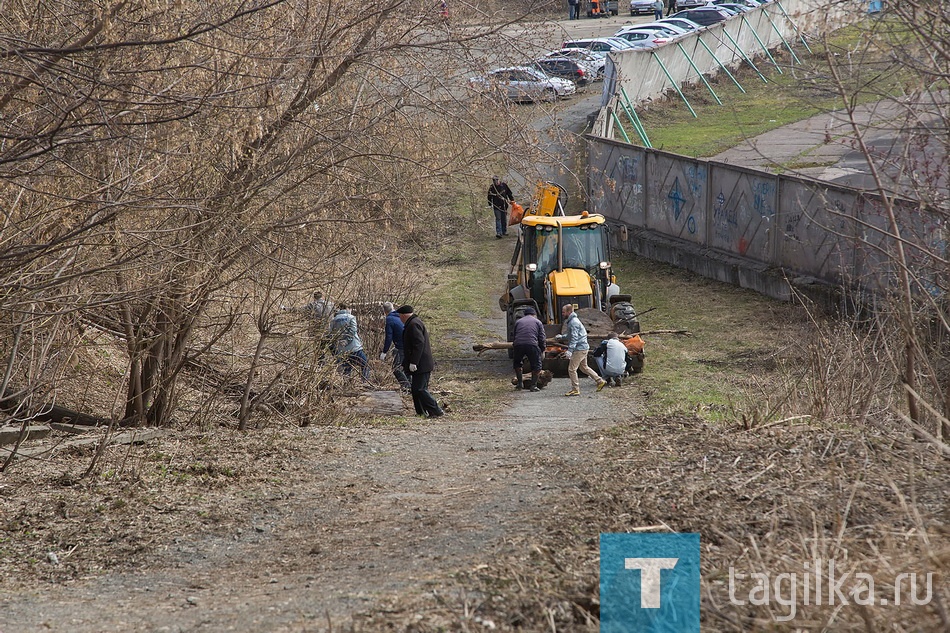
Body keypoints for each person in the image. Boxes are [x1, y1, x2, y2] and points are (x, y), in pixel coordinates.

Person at [396, 305, 444, 418]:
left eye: (400, 316)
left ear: (403, 315)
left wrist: (414, 362)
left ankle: (436, 410)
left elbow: (419, 344)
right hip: (421, 363)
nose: (400, 319)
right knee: (416, 389)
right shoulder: (414, 322)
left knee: (420, 389)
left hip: (421, 364)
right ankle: (421, 412)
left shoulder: (413, 325)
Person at [556, 304, 607, 396]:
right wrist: (562, 337)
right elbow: (570, 334)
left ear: (569, 312)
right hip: (583, 347)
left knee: (572, 369)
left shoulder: (573, 322)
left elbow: (575, 337)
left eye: (564, 312)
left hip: (579, 349)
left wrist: (570, 350)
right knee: (584, 367)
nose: (562, 314)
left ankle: (575, 389)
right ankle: (600, 381)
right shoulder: (571, 321)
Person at [328, 303, 370, 382]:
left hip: (341, 349)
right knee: (365, 365)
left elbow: (331, 334)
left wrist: (337, 345)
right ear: (347, 308)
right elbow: (353, 331)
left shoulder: (333, 320)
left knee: (347, 368)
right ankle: (365, 383)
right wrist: (347, 341)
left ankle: (347, 385)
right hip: (354, 348)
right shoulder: (351, 318)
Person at [511, 307, 546, 392]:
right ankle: (533, 386)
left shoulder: (518, 322)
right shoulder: (538, 322)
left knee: (517, 364)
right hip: (531, 344)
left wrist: (515, 345)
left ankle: (519, 384)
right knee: (537, 365)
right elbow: (542, 338)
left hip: (518, 344)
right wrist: (542, 349)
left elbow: (514, 335)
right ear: (534, 314)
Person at [380, 302, 412, 392]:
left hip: (401, 346)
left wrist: (384, 352)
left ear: (385, 311)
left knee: (396, 368)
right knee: (406, 367)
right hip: (409, 344)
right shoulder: (401, 316)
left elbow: (389, 337)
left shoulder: (389, 319)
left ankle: (407, 386)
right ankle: (411, 385)